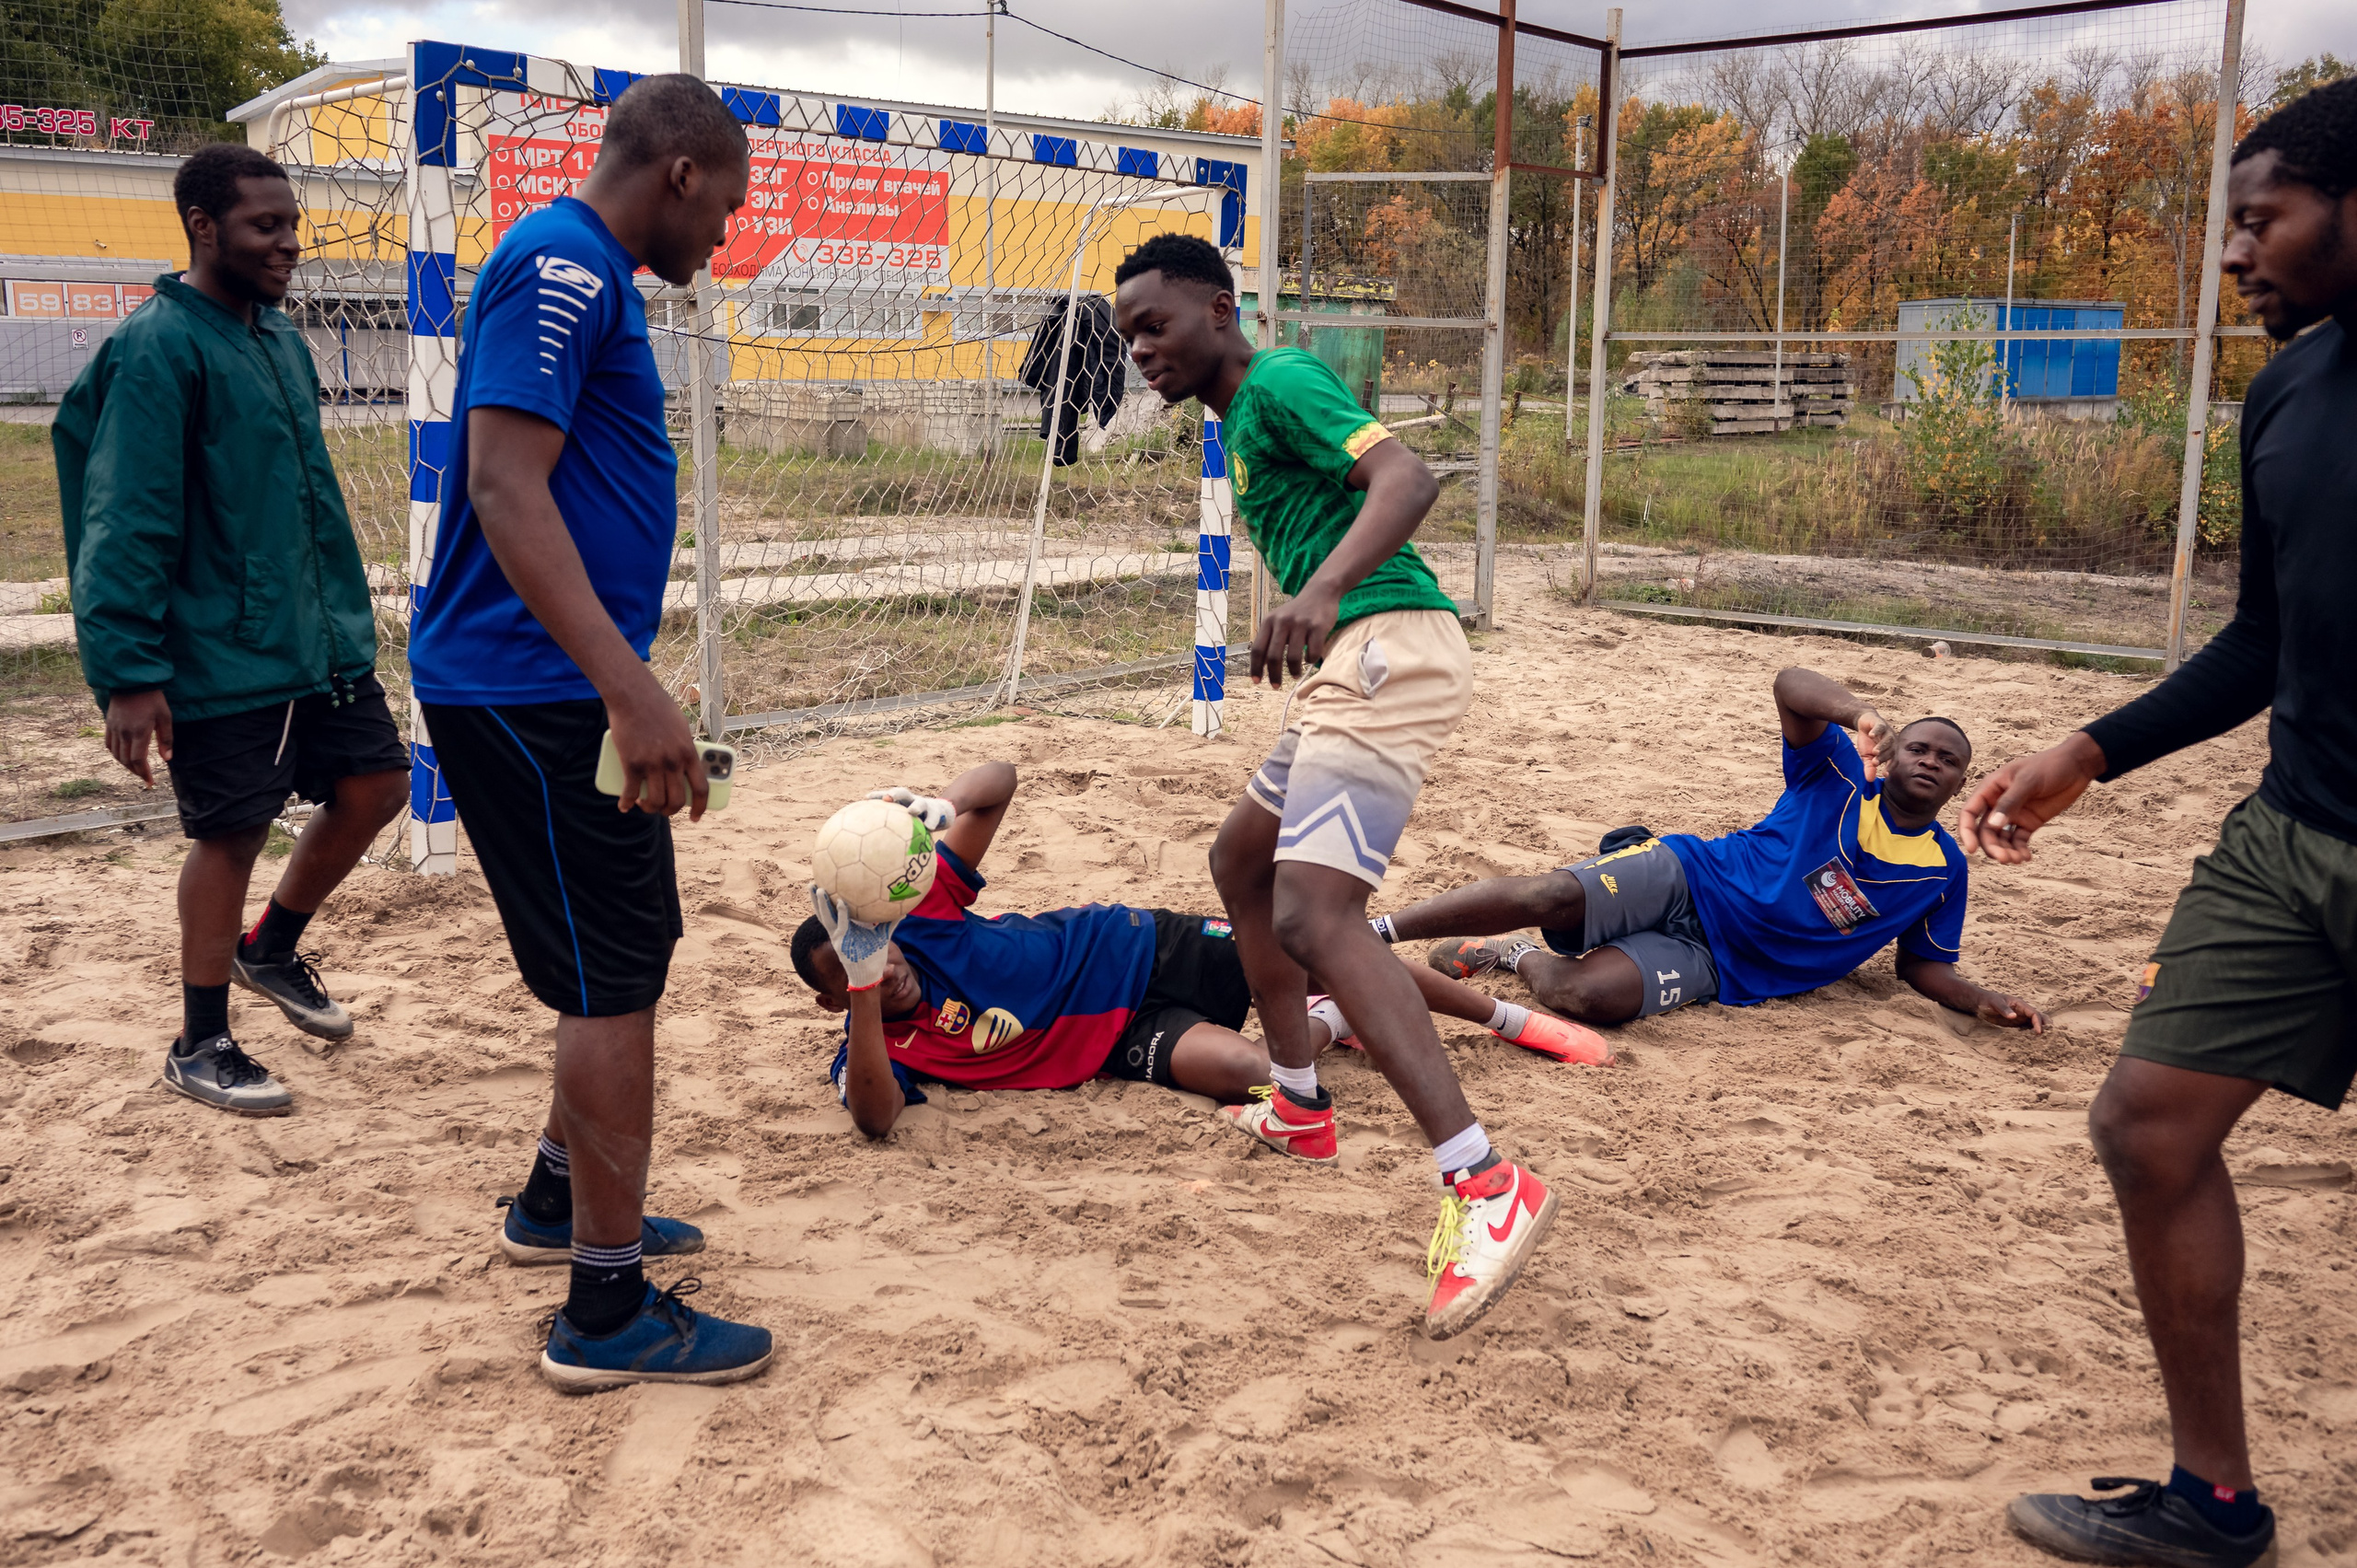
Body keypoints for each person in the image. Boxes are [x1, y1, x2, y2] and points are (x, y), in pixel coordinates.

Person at [1977, 79, 2357, 1568]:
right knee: (2147, 1124)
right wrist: (2090, 747)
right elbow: (2265, 637)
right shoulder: (2287, 395)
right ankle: (2214, 1503)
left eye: (2265, 219)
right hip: (2294, 833)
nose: (2237, 254)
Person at [1109, 231, 1550, 1342]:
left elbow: (1409, 476)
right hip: (1350, 662)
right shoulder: (1233, 419)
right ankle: (1300, 1100)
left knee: (1315, 913)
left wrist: (1320, 590)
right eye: (1127, 336)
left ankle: (1484, 1181)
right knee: (1239, 860)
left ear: (1219, 311)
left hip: (1391, 646)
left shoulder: (1280, 380)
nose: (1141, 349)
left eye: (1155, 324)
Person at [406, 75, 771, 1389]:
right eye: (727, 206)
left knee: (628, 945)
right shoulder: (560, 263)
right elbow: (505, 487)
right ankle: (605, 1312)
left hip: (550, 683)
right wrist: (629, 686)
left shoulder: (588, 269)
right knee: (608, 976)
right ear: (680, 172)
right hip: (533, 688)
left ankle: (558, 1199)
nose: (724, 234)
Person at [53, 142, 410, 1116]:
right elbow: (124, 517)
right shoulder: (158, 346)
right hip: (219, 648)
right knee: (232, 831)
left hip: (314, 637)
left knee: (379, 785)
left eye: (293, 225)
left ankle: (272, 947)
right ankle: (200, 1040)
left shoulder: (280, 339)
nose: (289, 243)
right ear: (203, 227)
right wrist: (130, 672)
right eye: (265, 226)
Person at [794, 763, 1611, 1141]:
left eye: (877, 945)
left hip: (1138, 947)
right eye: (859, 966)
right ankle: (1332, 1022)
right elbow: (875, 1119)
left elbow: (1001, 778)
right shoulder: (874, 1050)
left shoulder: (921, 914)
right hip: (1120, 1042)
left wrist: (936, 805)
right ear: (837, 997)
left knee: (1324, 949)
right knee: (1260, 1071)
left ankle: (1505, 1017)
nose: (884, 965)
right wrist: (865, 985)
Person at [1379, 667, 2048, 1037]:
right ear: (1893, 754)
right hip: (1694, 874)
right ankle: (1376, 931)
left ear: (1962, 781)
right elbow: (1790, 684)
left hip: (1726, 964)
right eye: (1919, 748)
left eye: (1948, 759)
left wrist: (1982, 999)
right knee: (1546, 893)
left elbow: (1922, 966)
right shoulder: (1838, 773)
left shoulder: (1943, 870)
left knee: (1584, 995)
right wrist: (1860, 714)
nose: (1930, 761)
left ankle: (1513, 954)